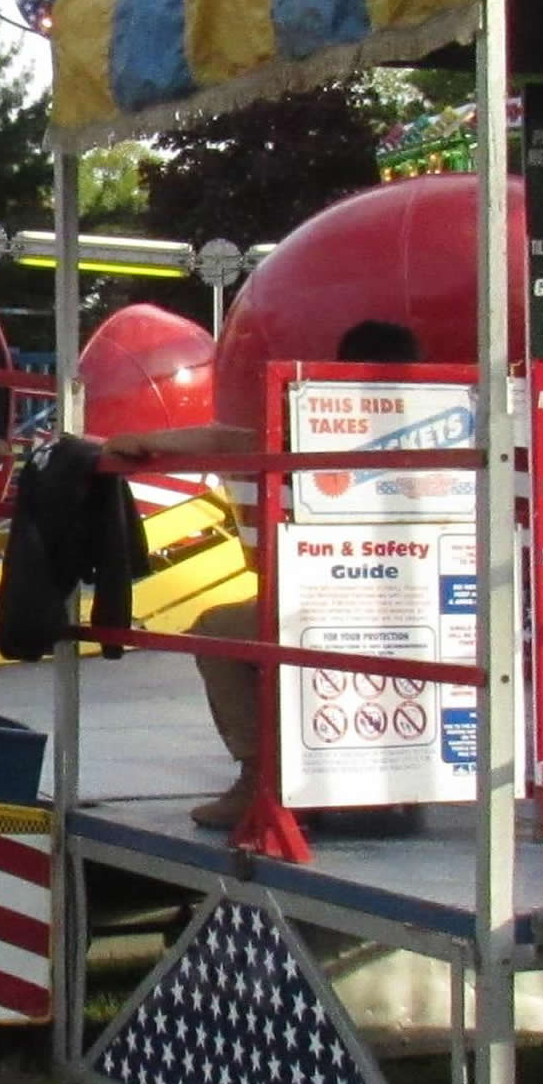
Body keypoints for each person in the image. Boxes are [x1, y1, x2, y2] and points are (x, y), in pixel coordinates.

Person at [102, 317, 424, 829]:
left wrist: (139, 441)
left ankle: (259, 777)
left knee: (217, 629)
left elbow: (231, 441)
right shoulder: (456, 419)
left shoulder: (319, 419)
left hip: (337, 606)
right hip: (437, 611)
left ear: (344, 368)